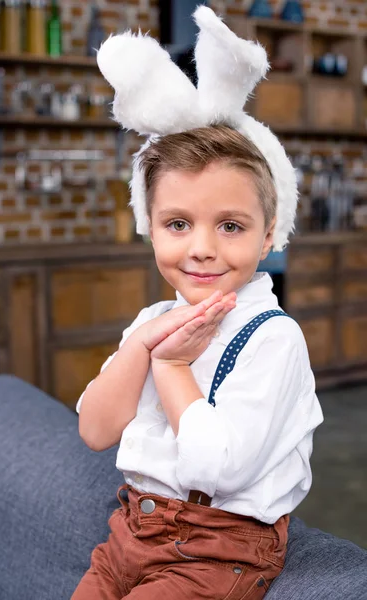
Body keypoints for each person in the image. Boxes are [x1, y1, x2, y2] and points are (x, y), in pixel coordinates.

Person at [72, 7, 323, 600]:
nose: (203, 249)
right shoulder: (151, 322)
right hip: (129, 531)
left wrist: (173, 367)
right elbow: (95, 429)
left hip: (217, 547)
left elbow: (218, 469)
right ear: (150, 228)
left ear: (270, 234)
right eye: (178, 223)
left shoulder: (272, 339)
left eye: (231, 225)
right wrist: (143, 345)